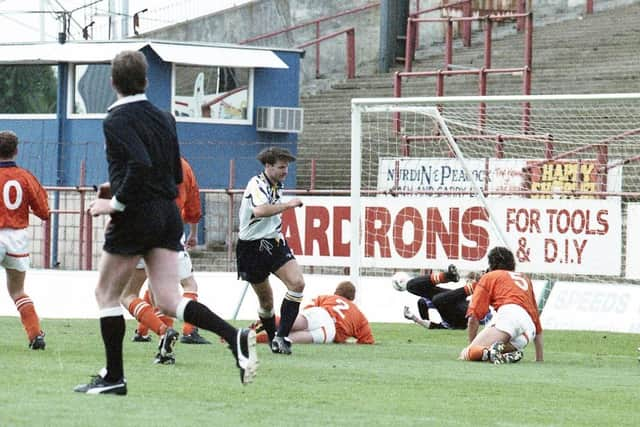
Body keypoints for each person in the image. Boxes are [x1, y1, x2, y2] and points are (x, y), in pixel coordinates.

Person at [74, 50, 257, 396]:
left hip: (136, 214)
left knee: (106, 293)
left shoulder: (114, 120)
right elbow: (174, 172)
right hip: (166, 213)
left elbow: (139, 164)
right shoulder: (165, 117)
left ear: (112, 83)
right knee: (170, 299)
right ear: (146, 80)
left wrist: (113, 202)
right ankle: (235, 337)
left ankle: (114, 376)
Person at [236, 146, 305, 355]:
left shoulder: (277, 185)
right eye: (281, 167)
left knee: (297, 283)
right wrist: (288, 205)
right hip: (252, 247)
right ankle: (274, 338)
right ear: (268, 166)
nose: (285, 171)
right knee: (266, 303)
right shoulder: (255, 184)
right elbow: (260, 210)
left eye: (287, 167)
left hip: (273, 242)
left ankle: (281, 337)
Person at [0, 130, 50, 350]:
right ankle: (35, 334)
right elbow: (44, 211)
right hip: (17, 238)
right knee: (18, 291)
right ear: (16, 150)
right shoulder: (26, 177)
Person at [459, 246, 543, 364]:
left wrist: (472, 347)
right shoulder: (525, 278)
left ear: (492, 264)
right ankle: (502, 354)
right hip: (528, 331)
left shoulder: (490, 277)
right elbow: (536, 320)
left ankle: (486, 352)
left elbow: (474, 317)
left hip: (510, 317)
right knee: (492, 350)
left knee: (467, 354)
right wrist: (539, 358)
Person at [252, 281, 374, 345]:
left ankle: (269, 322)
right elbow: (367, 340)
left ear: (336, 292)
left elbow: (308, 308)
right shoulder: (359, 314)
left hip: (321, 313)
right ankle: (265, 339)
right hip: (331, 331)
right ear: (352, 298)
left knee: (294, 323)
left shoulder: (327, 297)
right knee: (296, 338)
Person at [401, 265, 474, 330]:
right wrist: (413, 318)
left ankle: (449, 277)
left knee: (435, 299)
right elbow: (432, 326)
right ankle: (449, 276)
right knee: (417, 294)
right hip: (456, 306)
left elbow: (432, 326)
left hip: (460, 316)